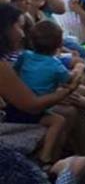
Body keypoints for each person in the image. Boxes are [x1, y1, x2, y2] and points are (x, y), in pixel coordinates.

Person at [13, 22, 77, 165]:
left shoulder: (25, 56)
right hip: (34, 110)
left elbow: (16, 70)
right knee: (58, 121)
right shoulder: (56, 66)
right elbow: (68, 80)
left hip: (16, 104)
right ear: (59, 43)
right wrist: (77, 70)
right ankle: (46, 156)